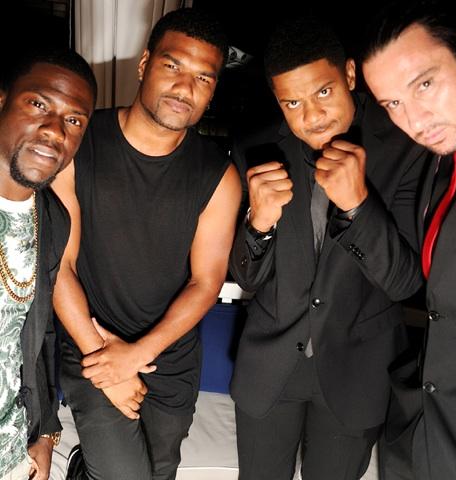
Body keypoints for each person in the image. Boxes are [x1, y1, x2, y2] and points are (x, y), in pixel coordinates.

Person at [228, 13, 430, 480]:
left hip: (358, 370)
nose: (311, 116)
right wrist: (258, 224)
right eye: (292, 102)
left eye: (323, 92)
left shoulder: (407, 145)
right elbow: (247, 276)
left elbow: (405, 283)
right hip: (271, 368)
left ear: (350, 76)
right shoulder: (255, 147)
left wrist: (359, 207)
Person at [51, 7, 241, 480]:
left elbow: (206, 282)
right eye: (173, 66)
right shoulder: (81, 142)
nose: (185, 88)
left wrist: (136, 357)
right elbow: (60, 265)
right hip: (91, 339)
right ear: (144, 64)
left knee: (159, 472)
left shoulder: (218, 175)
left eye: (203, 77)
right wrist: (107, 364)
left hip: (170, 358)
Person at [361, 1, 456, 479]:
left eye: (424, 85)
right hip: (419, 430)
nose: (414, 120)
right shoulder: (437, 165)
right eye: (392, 104)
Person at [0, 50, 96, 480]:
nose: (55, 130)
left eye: (74, 120)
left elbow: (37, 336)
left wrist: (44, 431)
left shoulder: (53, 220)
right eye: (39, 104)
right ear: (2, 100)